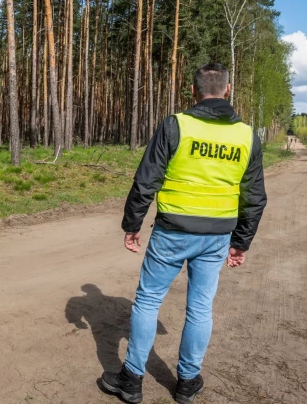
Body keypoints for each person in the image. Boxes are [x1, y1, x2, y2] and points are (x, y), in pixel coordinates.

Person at [101, 64, 267, 404]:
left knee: (148, 300)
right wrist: (241, 242)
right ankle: (187, 383)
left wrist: (132, 226)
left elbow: (146, 181)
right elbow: (255, 196)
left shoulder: (176, 125)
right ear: (228, 89)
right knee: (200, 308)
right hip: (218, 235)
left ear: (193, 91)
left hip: (172, 232)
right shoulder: (246, 136)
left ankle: (131, 380)